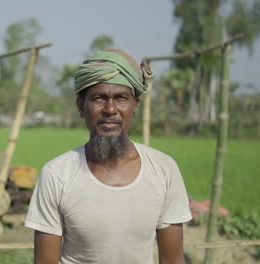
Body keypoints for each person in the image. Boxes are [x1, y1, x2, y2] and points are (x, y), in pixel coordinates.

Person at [25, 49, 192, 264]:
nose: (110, 109)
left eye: (121, 98)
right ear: (80, 106)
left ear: (135, 106)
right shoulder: (57, 174)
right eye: (99, 98)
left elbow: (172, 260)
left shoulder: (164, 169)